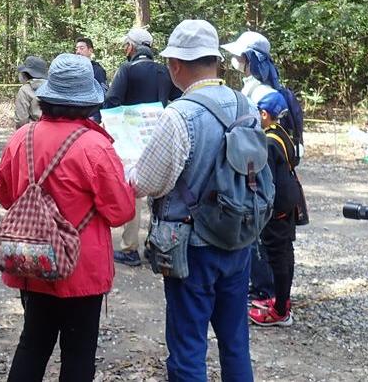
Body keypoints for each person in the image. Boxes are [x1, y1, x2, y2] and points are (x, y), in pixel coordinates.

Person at [0, 53, 136, 382]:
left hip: (33, 259)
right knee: (78, 352)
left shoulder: (21, 138)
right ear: (88, 102)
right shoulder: (94, 147)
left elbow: (4, 195)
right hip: (82, 267)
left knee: (32, 344)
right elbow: (121, 212)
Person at [132, 19, 254, 381]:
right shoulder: (244, 104)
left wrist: (129, 170)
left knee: (188, 347)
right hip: (238, 237)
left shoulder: (180, 114)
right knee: (235, 343)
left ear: (175, 65)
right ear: (214, 61)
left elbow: (146, 182)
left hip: (191, 246)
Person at [222, 30, 305, 305]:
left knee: (265, 239)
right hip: (272, 177)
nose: (235, 59)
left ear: (249, 59)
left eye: (239, 56)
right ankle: (269, 291)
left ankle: (267, 291)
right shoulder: (264, 87)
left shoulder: (262, 93)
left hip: (265, 179)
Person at [106, 27, 181, 267]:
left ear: (132, 47)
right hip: (159, 136)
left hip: (131, 140)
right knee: (160, 191)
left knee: (133, 190)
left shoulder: (127, 70)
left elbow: (111, 101)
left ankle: (130, 248)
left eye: (126, 44)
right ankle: (155, 245)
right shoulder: (164, 71)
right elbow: (178, 97)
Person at [247, 88, 299, 327]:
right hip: (290, 200)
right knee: (285, 251)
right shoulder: (282, 133)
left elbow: (267, 180)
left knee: (277, 254)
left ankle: (280, 311)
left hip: (278, 204)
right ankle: (282, 300)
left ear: (265, 114)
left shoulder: (267, 141)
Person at [75, 37, 108, 123]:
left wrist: (97, 117)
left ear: (90, 51)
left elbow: (103, 95)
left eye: (81, 48)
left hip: (91, 116)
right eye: (76, 49)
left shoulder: (97, 70)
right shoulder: (73, 70)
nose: (78, 51)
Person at [14, 55, 49, 128]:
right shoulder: (53, 87)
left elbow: (22, 120)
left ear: (25, 74)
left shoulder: (25, 90)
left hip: (32, 132)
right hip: (52, 131)